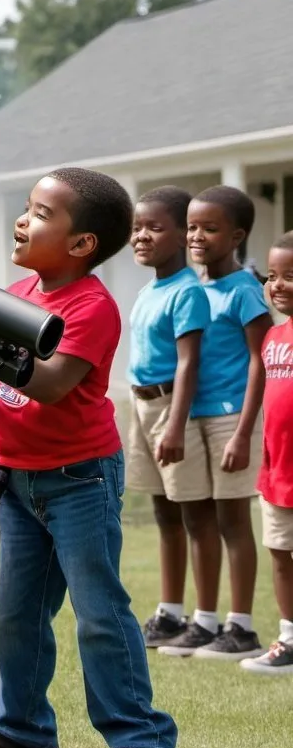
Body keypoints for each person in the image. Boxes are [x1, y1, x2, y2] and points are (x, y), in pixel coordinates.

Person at [0, 168, 177, 748]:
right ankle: (21, 727)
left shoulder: (91, 307)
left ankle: (143, 744)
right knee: (16, 617)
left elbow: (49, 382)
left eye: (40, 213)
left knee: (100, 613)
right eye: (26, 207)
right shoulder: (20, 293)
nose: (22, 219)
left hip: (80, 482)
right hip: (18, 482)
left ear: (81, 245)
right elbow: (6, 398)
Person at [158, 186, 271, 661]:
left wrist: (245, 432)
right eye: (192, 227)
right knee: (197, 517)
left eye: (210, 228)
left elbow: (258, 361)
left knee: (231, 519)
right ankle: (204, 621)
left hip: (230, 419)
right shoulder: (197, 289)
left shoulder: (246, 289)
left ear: (237, 235)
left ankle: (240, 627)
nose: (196, 236)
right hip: (196, 416)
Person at [125, 187, 210, 647]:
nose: (141, 236)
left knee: (194, 513)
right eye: (138, 228)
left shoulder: (187, 292)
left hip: (172, 407)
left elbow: (188, 362)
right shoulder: (148, 288)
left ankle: (207, 619)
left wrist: (175, 425)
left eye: (154, 228)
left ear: (182, 235)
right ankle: (170, 613)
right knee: (163, 512)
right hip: (141, 405)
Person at [240, 233, 293, 674]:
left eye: (290, 276)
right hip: (277, 472)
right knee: (279, 552)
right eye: (272, 276)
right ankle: (289, 639)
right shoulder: (274, 336)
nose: (277, 285)